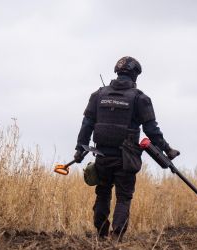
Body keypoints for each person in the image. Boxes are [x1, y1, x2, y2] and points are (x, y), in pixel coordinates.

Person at [74, 56, 180, 240]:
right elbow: (151, 130)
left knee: (102, 193)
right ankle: (116, 236)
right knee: (123, 198)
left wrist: (79, 149)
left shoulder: (98, 95)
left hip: (102, 155)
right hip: (126, 158)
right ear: (135, 75)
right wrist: (167, 149)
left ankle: (101, 234)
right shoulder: (140, 98)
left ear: (117, 71)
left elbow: (87, 124)